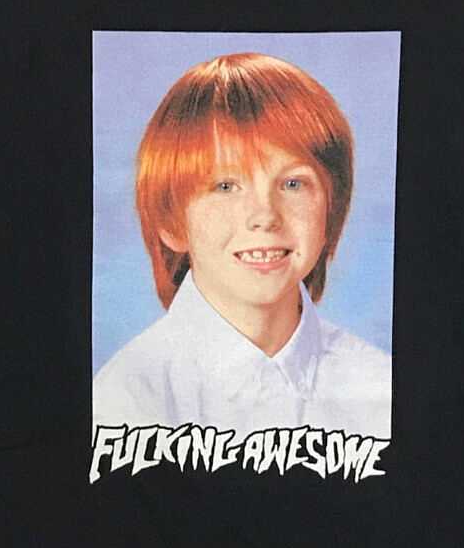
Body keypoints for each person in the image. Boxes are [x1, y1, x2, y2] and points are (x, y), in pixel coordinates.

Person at [92, 52, 392, 439]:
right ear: (171, 221)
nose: (264, 215)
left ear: (330, 209)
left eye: (293, 183)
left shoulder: (378, 386)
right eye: (225, 186)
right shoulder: (127, 398)